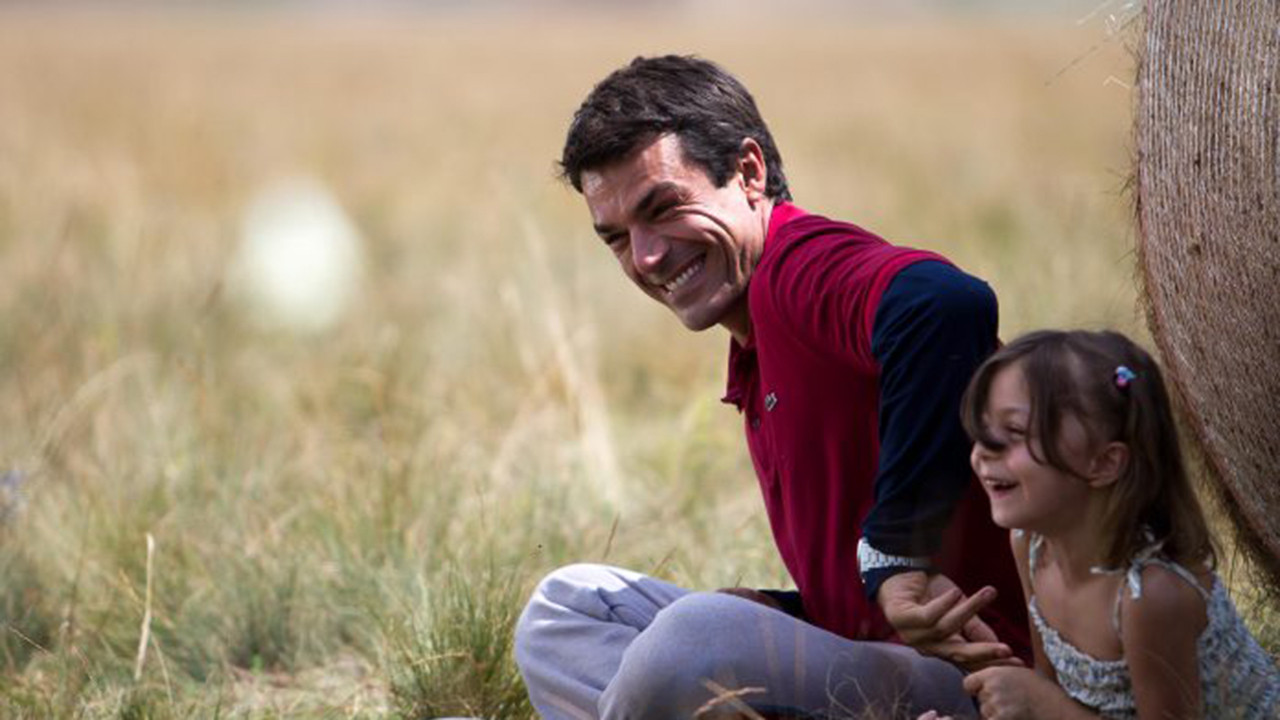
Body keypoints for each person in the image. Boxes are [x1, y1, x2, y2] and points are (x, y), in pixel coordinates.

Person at [514, 54, 1030, 719]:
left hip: (978, 680)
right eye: (617, 238)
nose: (646, 258)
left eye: (663, 208)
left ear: (749, 172)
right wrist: (789, 610)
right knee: (567, 607)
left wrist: (897, 551)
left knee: (692, 639)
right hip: (870, 658)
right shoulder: (753, 333)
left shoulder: (798, 268)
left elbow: (945, 306)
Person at [920, 329, 1279, 719]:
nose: (982, 452)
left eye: (1015, 433)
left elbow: (1049, 703)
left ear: (1105, 463)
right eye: (984, 430)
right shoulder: (1030, 545)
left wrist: (1040, 701)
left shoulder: (1149, 595)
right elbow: (1051, 692)